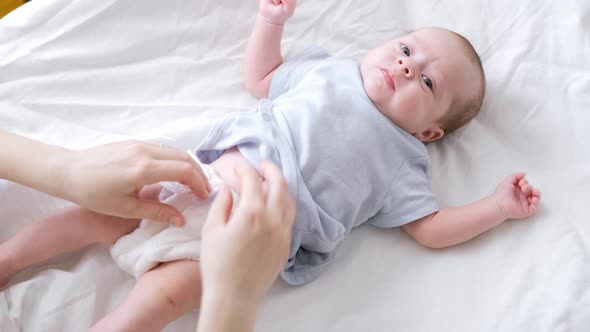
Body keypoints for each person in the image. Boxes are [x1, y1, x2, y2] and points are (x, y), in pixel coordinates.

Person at [0, 0, 543, 330]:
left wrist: (494, 207)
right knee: (88, 216)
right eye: (406, 49)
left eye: (427, 80)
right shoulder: (328, 70)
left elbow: (429, 228)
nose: (406, 65)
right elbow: (262, 77)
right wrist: (270, 22)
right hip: (200, 177)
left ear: (430, 132)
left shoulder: (404, 161)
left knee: (161, 300)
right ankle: (8, 260)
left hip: (250, 240)